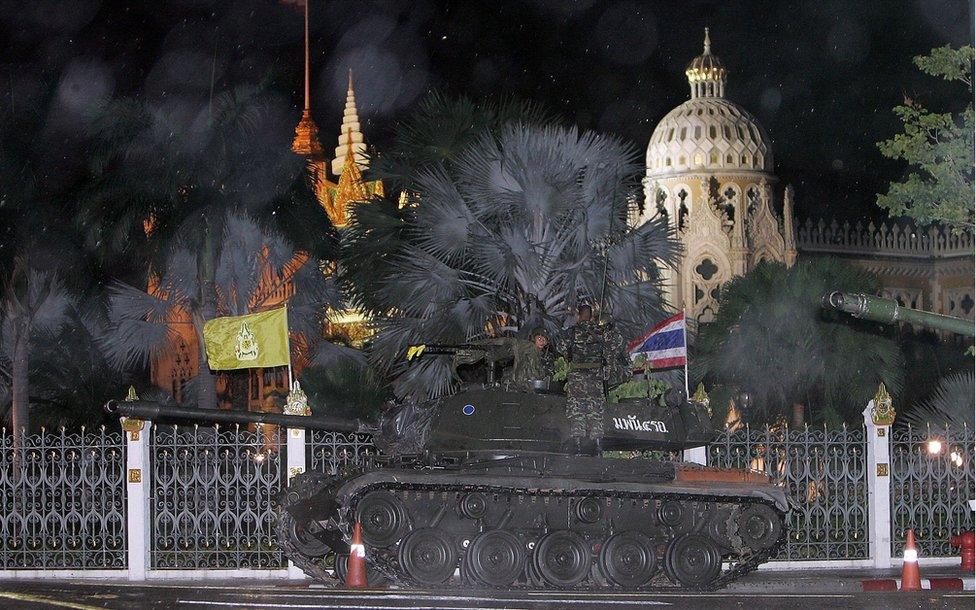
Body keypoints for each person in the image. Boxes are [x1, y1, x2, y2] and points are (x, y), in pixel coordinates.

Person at [556, 304, 614, 455]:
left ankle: (578, 445)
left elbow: (560, 347)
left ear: (579, 316)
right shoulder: (601, 332)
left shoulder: (572, 332)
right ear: (591, 316)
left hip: (577, 376)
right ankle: (597, 446)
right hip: (595, 376)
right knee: (595, 410)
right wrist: (605, 372)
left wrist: (570, 356)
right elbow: (609, 352)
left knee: (577, 410)